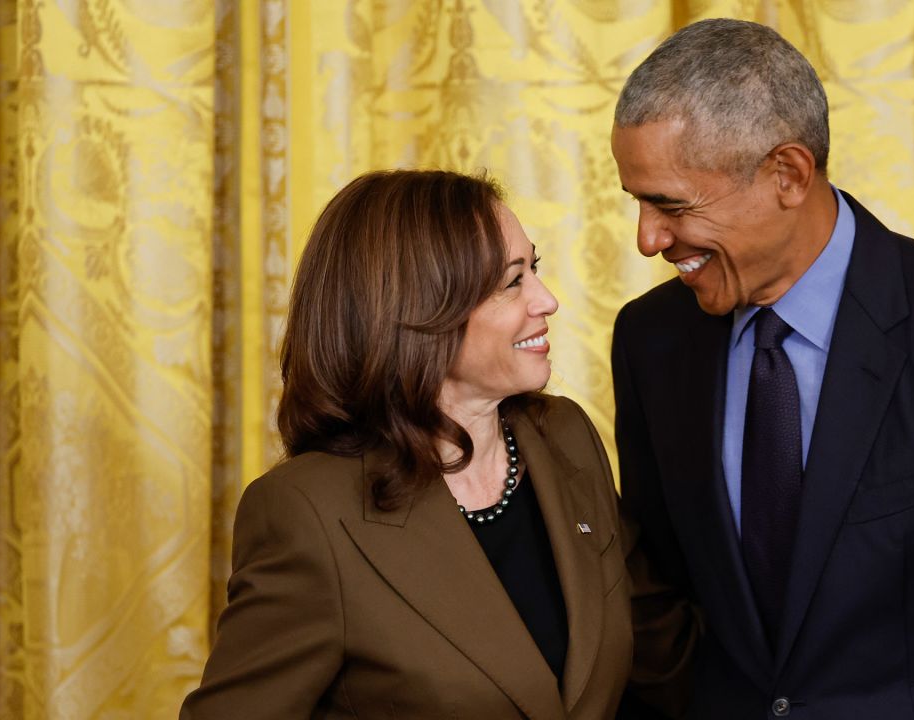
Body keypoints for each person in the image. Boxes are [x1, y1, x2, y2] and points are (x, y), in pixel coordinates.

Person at [610, 19, 914, 719]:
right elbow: (659, 602)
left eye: (670, 204)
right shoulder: (650, 339)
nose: (647, 238)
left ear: (787, 174)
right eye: (635, 201)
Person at [182, 170, 636, 719]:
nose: (547, 301)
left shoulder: (564, 434)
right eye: (511, 281)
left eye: (532, 269)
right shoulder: (307, 512)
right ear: (418, 312)